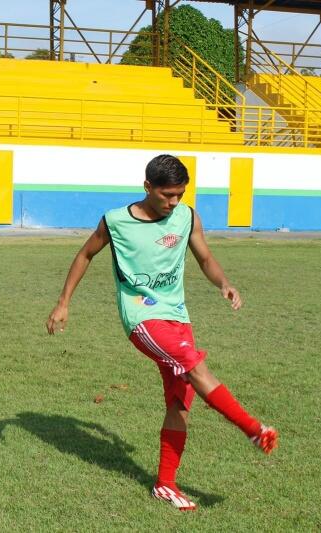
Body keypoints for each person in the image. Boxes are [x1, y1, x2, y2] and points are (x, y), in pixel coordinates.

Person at [45, 154, 278, 511]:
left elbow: (205, 258)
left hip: (177, 316)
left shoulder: (186, 217)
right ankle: (252, 429)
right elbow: (84, 255)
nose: (173, 203)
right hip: (142, 317)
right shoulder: (116, 221)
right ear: (147, 187)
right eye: (167, 195)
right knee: (192, 364)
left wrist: (224, 283)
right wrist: (63, 302)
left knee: (179, 401)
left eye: (179, 195)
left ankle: (165, 485)